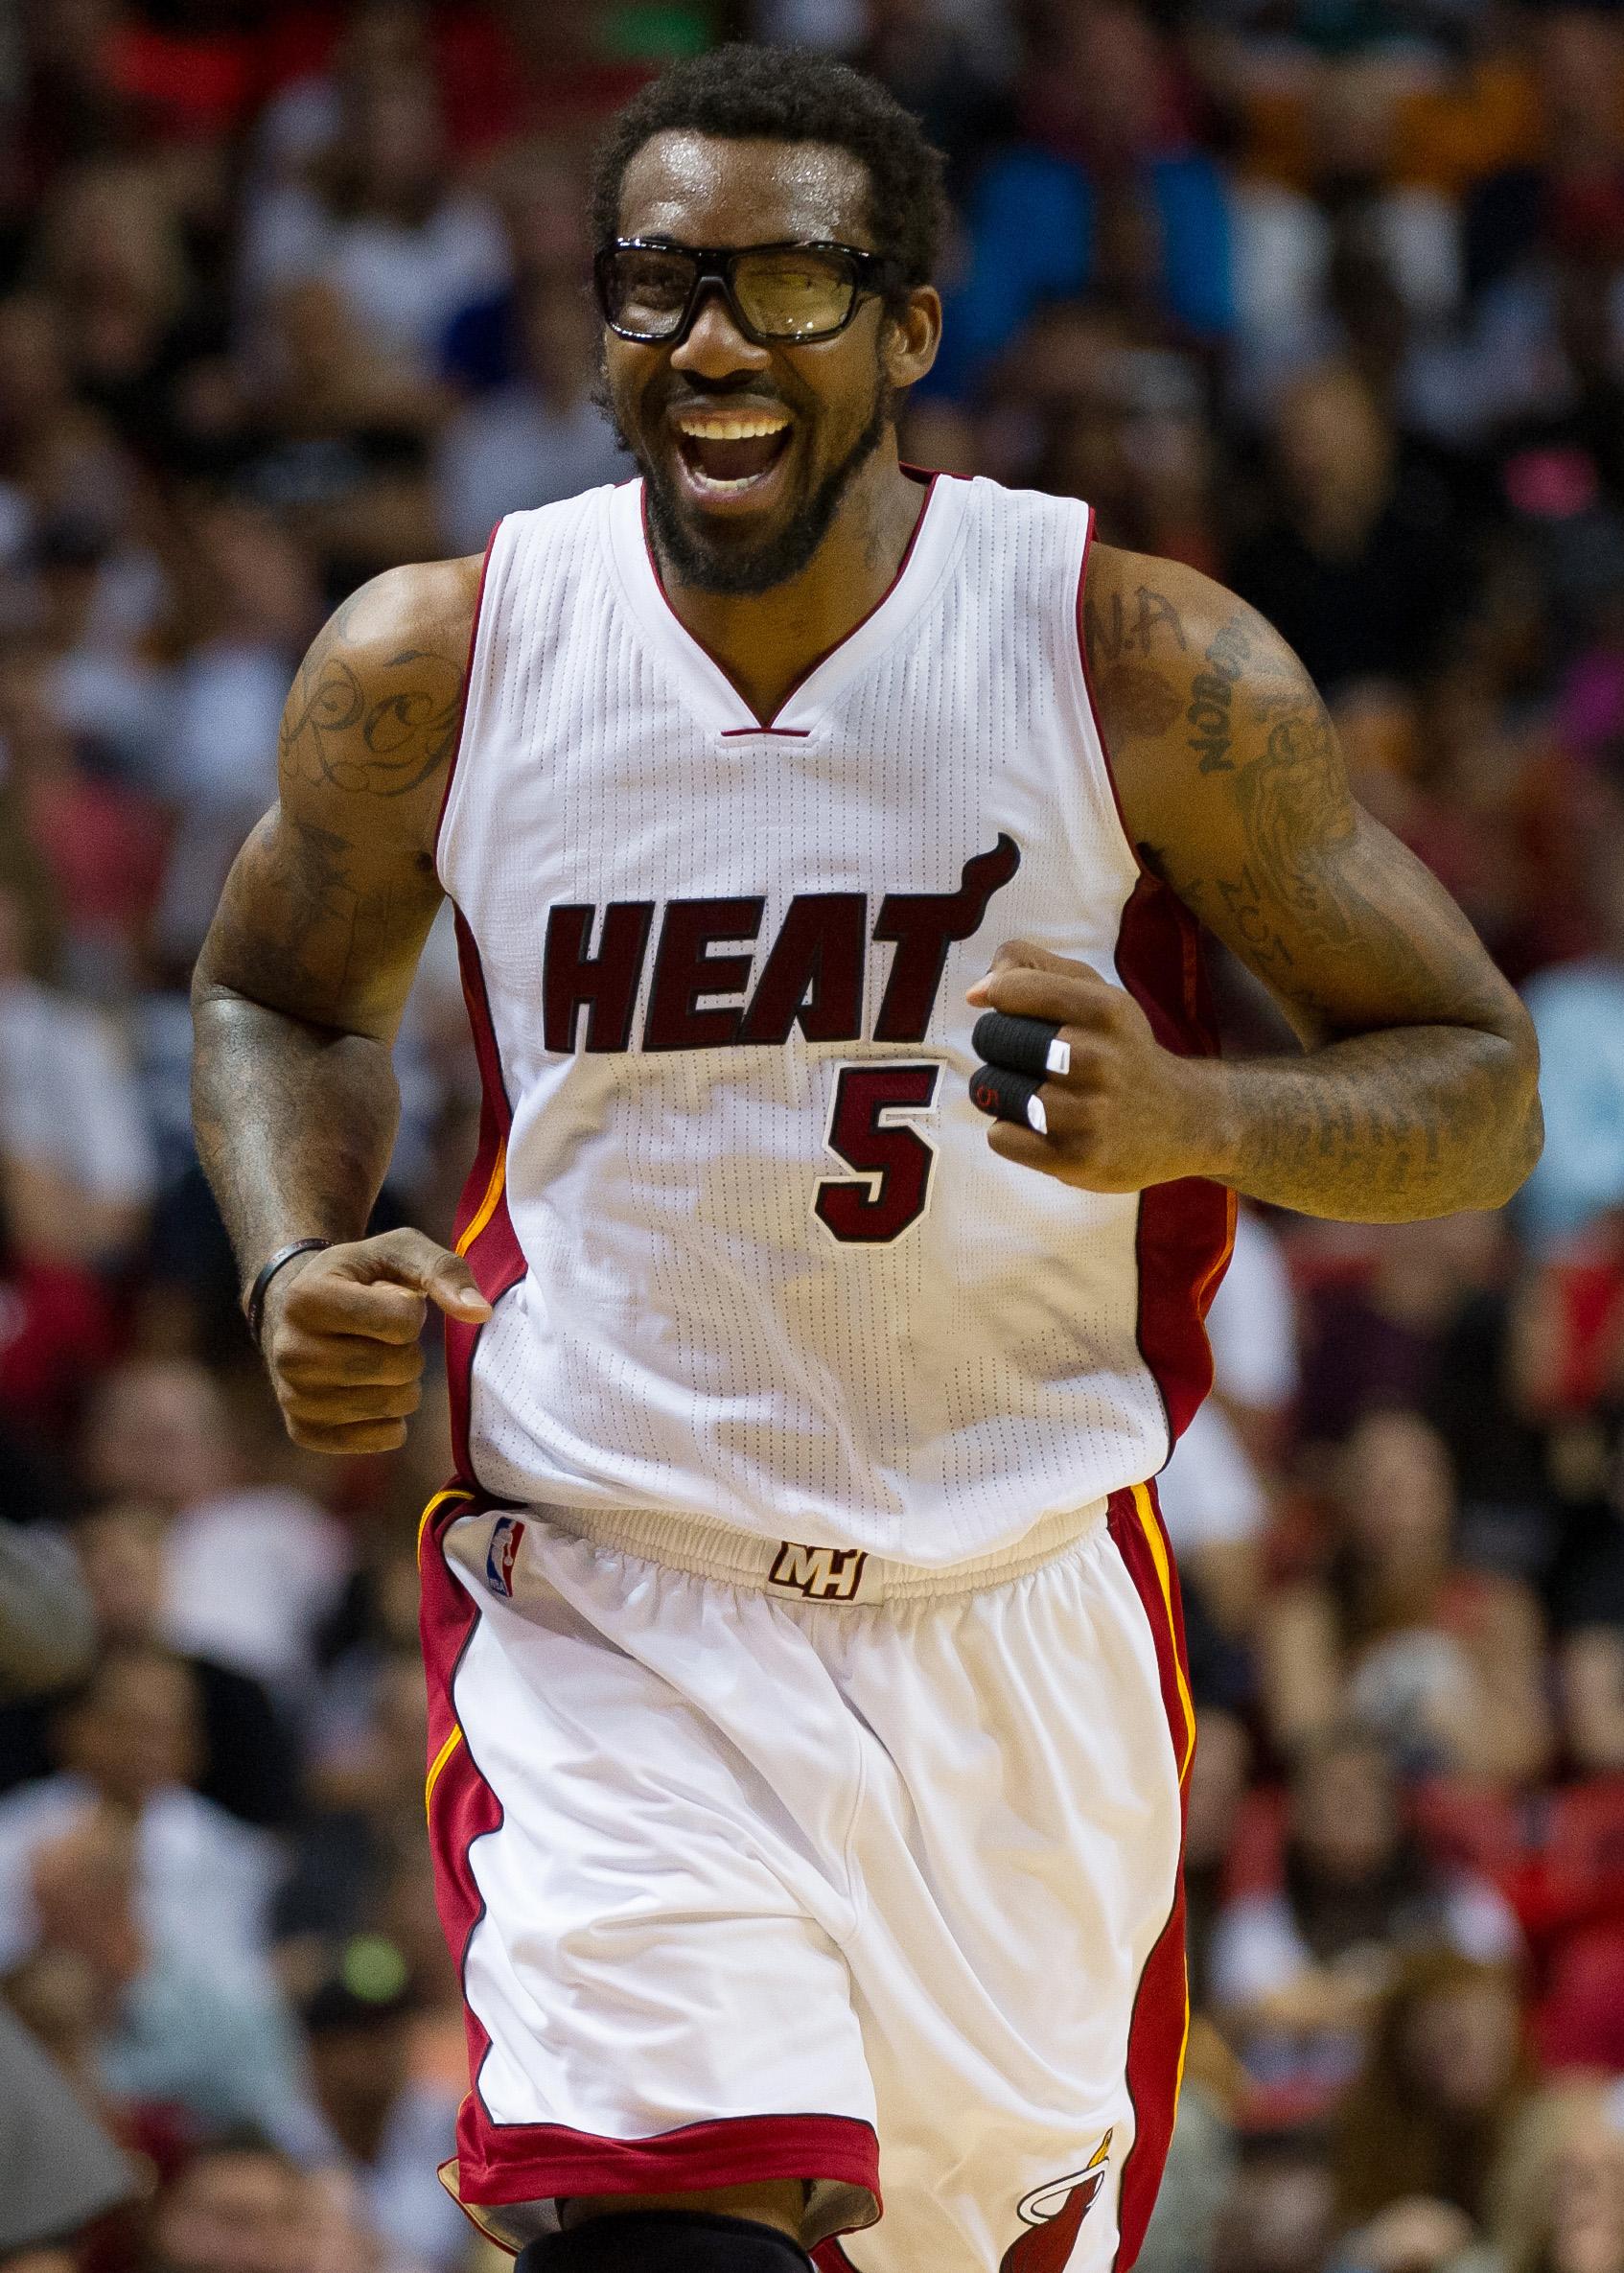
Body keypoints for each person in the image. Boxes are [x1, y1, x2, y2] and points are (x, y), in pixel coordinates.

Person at [189, 43, 1542, 2273]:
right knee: (665, 2234)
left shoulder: (1130, 659)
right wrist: (282, 1256)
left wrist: (1197, 1115)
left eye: (784, 284)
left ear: (912, 326)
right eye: (658, 283)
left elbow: (1473, 1085)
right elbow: (275, 993)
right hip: (616, 1592)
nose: (711, 339)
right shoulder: (442, 658)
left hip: (1005, 1615)